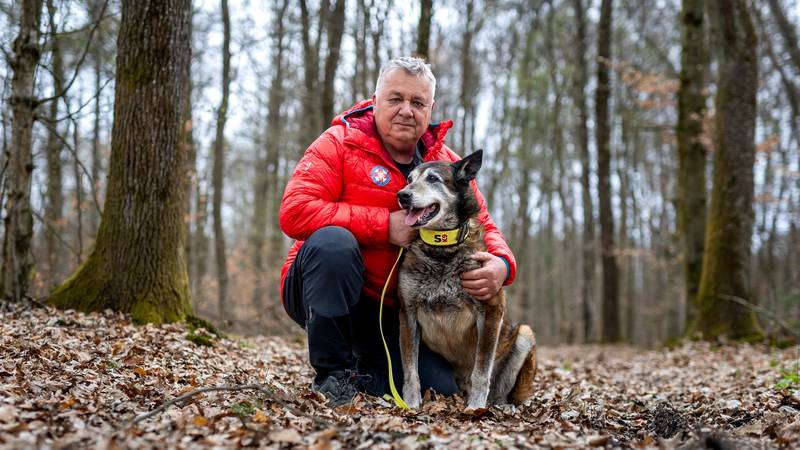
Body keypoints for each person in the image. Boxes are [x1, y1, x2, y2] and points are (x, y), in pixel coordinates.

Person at [279, 57, 517, 406]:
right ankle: (332, 374)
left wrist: (501, 265)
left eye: (417, 102)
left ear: (430, 108)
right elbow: (295, 211)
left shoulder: (444, 162)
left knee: (439, 390)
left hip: (392, 309)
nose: (406, 110)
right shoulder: (339, 142)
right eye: (395, 99)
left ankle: (364, 371)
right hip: (323, 287)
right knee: (334, 244)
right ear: (375, 100)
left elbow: (483, 223)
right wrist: (382, 226)